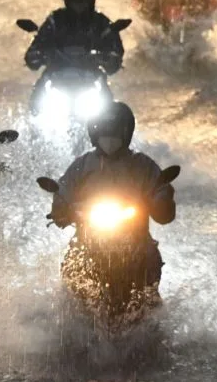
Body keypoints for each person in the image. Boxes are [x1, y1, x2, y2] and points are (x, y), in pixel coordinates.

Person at [49, 102, 176, 288]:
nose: (109, 136)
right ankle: (70, 301)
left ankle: (149, 301)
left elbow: (160, 187)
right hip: (88, 239)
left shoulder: (143, 165)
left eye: (115, 131)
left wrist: (161, 202)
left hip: (135, 241)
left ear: (127, 132)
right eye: (104, 130)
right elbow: (64, 188)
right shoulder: (82, 165)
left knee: (150, 259)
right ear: (94, 132)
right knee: (72, 264)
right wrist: (61, 207)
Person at [25, 0, 125, 82]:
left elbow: (115, 51)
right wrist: (37, 54)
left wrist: (110, 58)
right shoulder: (54, 21)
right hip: (54, 78)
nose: (79, 1)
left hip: (92, 80)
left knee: (108, 93)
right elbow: (36, 47)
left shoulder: (101, 23)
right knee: (37, 91)